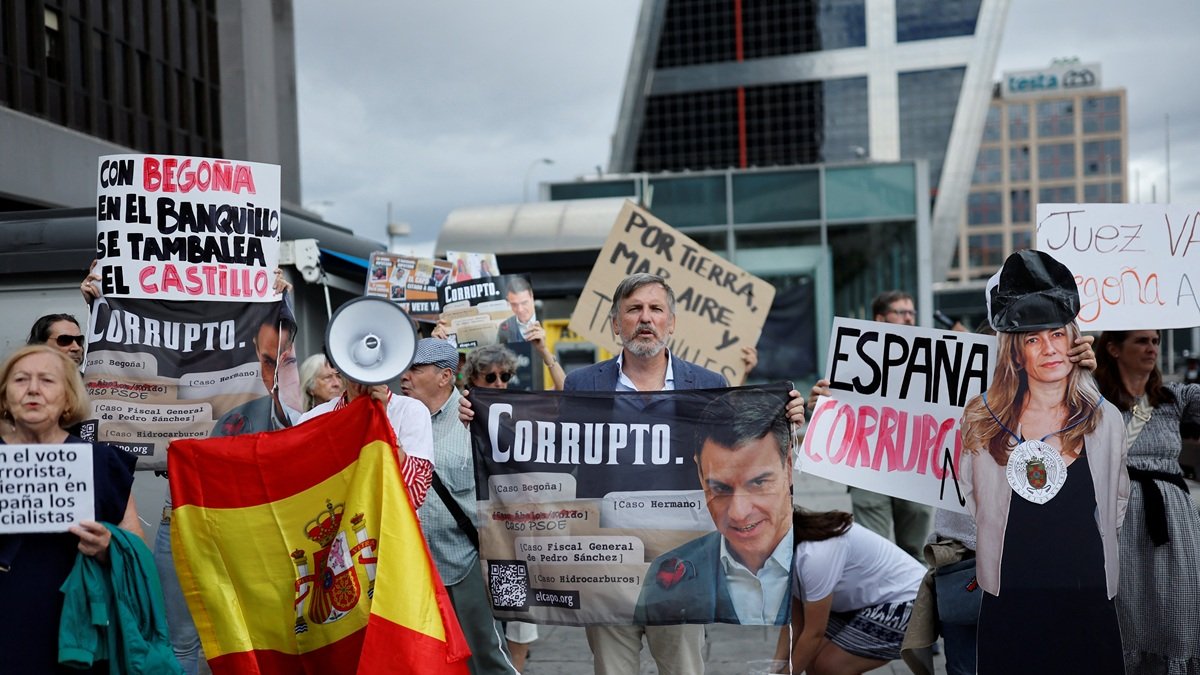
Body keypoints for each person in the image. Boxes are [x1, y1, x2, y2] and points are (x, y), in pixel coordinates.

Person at [458, 273, 806, 675]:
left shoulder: (707, 385)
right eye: (634, 309)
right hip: (605, 565)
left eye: (656, 309)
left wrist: (785, 420)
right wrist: (484, 420)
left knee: (683, 670)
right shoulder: (583, 384)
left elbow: (738, 453)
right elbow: (550, 450)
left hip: (680, 564)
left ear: (671, 323)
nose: (645, 318)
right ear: (615, 323)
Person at [959, 249, 1127, 674]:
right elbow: (972, 500)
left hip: (1087, 596)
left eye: (1056, 334)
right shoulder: (982, 418)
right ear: (1016, 353)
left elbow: (1117, 502)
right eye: (1033, 339)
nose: (1049, 348)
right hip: (1012, 598)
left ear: (1073, 340)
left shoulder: (1104, 418)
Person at [0, 345, 145, 673]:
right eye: (21, 379)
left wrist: (108, 547)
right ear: (5, 396)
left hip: (79, 622)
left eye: (47, 380)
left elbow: (136, 548)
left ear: (68, 398)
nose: (33, 389)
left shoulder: (102, 463)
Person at [400, 338, 518, 675]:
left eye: (415, 369)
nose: (404, 376)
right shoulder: (397, 418)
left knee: (487, 657)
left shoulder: (477, 417)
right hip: (415, 568)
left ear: (445, 376)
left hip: (468, 563)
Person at [634, 388, 794, 626]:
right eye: (719, 488)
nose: (738, 513)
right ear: (699, 475)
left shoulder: (839, 561)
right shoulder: (666, 577)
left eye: (758, 483)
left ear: (789, 466)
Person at [1095, 329, 1200, 674]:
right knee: (1128, 610)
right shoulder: (1092, 400)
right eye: (1142, 341)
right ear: (1114, 349)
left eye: (1155, 341)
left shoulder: (1175, 398)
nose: (1152, 348)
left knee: (1179, 606)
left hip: (1174, 521)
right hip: (1119, 516)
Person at [770, 507, 926, 674]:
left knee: (830, 666)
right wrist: (775, 669)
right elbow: (795, 622)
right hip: (865, 599)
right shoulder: (789, 551)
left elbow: (814, 633)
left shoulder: (814, 555)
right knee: (811, 659)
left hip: (911, 600)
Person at [463, 343, 539, 671]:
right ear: (473, 380)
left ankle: (516, 670)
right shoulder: (460, 411)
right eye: (490, 377)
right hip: (472, 534)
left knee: (517, 613)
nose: (498, 383)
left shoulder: (518, 411)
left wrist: (545, 353)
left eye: (505, 376)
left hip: (511, 533)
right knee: (478, 621)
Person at [300, 368, 435, 510]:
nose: (363, 373)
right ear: (338, 367)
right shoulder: (312, 419)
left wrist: (381, 421)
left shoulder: (411, 411)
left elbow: (414, 496)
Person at [210, 310, 302, 436]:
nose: (276, 378)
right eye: (268, 362)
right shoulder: (232, 425)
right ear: (257, 352)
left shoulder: (319, 413)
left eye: (286, 362)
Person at [496, 277, 537, 344]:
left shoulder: (546, 318)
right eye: (514, 304)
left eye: (524, 303)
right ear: (508, 300)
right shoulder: (504, 327)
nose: (520, 310)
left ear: (532, 297)